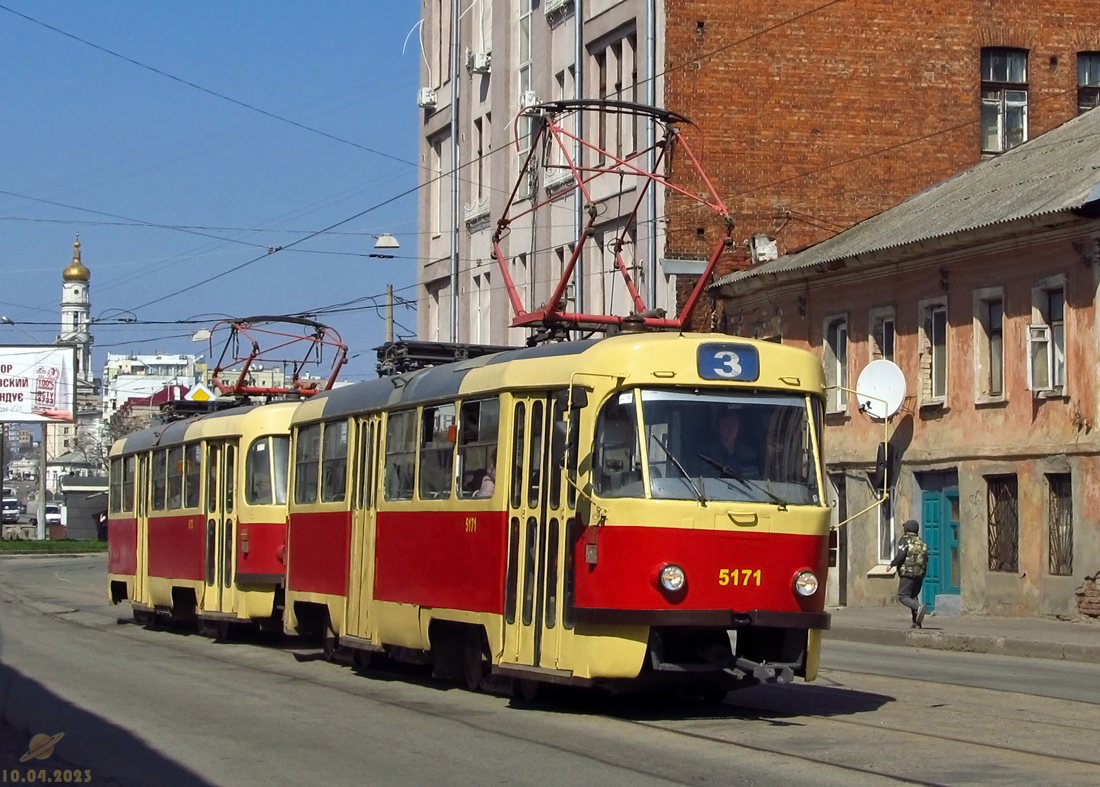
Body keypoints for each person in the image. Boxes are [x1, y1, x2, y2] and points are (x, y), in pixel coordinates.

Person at [696, 408, 759, 479]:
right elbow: (708, 482)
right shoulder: (706, 453)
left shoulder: (747, 454)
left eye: (733, 424)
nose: (730, 428)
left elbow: (753, 482)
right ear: (718, 427)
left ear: (739, 426)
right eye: (725, 424)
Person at [888, 519, 928, 628]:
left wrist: (892, 564)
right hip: (919, 573)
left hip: (907, 572)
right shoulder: (921, 542)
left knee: (903, 596)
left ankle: (919, 607)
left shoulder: (905, 540)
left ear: (907, 529)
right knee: (913, 596)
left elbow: (901, 554)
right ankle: (917, 622)